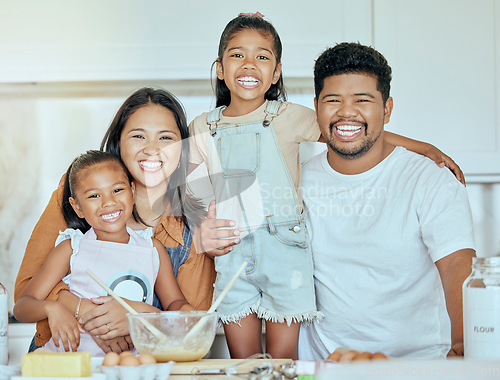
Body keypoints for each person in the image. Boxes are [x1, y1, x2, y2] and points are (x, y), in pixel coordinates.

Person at [190, 13, 465, 360]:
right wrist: (204, 230)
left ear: (276, 73)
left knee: (281, 357)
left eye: (262, 56)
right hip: (245, 268)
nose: (249, 64)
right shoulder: (212, 130)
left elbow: (351, 131)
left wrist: (422, 147)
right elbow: (187, 195)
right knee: (247, 363)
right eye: (237, 55)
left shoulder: (288, 117)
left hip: (403, 359)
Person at [297, 42, 476, 360]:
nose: (346, 111)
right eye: (333, 100)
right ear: (316, 107)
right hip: (325, 366)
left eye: (362, 100)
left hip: (418, 366)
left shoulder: (429, 179)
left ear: (387, 109)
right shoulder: (296, 180)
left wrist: (464, 342)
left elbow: (456, 264)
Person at [14, 88, 216, 353]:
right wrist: (85, 311)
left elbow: (187, 328)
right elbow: (25, 291)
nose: (152, 148)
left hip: (136, 366)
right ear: (118, 141)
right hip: (65, 360)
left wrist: (137, 316)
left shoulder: (193, 231)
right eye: (138, 136)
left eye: (166, 137)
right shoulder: (73, 198)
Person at [13, 150, 193, 355]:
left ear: (132, 192)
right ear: (77, 207)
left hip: (130, 364)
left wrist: (185, 312)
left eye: (117, 190)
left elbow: (174, 303)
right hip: (71, 363)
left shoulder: (152, 249)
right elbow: (22, 307)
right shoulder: (71, 248)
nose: (108, 202)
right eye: (94, 195)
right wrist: (52, 309)